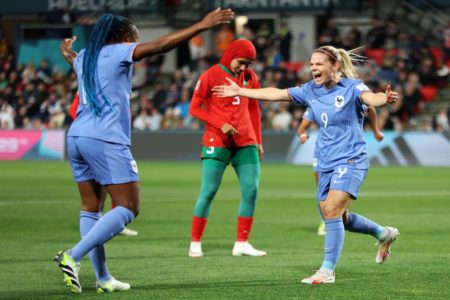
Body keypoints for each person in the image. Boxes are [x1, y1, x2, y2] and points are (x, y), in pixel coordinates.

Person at [55, 9, 234, 294]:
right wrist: (201, 25)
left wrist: (67, 50)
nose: (137, 40)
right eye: (135, 35)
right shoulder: (118, 51)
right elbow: (160, 46)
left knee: (91, 209)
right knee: (127, 207)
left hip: (77, 136)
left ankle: (102, 278)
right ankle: (72, 256)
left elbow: (73, 59)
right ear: (124, 36)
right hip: (106, 138)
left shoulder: (86, 56)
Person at [212, 45, 400, 284]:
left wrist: (384, 98)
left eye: (319, 64)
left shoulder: (353, 87)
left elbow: (371, 98)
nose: (313, 68)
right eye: (311, 64)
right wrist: (241, 91)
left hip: (352, 158)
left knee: (331, 210)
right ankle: (383, 234)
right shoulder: (311, 90)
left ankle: (327, 270)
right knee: (337, 216)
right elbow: (276, 93)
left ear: (335, 66)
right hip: (326, 162)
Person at [188, 39, 266, 258]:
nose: (244, 68)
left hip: (246, 142)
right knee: (209, 191)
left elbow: (254, 110)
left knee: (251, 190)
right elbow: (194, 108)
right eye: (241, 62)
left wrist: (258, 140)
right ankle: (195, 242)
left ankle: (242, 243)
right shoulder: (210, 75)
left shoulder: (250, 78)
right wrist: (219, 124)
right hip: (217, 141)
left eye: (248, 64)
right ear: (230, 54)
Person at [298, 106, 384, 236]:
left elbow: (371, 106)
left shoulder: (348, 94)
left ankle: (336, 220)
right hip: (322, 151)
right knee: (321, 189)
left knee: (339, 191)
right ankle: (326, 220)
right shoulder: (316, 98)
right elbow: (301, 128)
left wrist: (376, 130)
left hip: (345, 151)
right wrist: (303, 134)